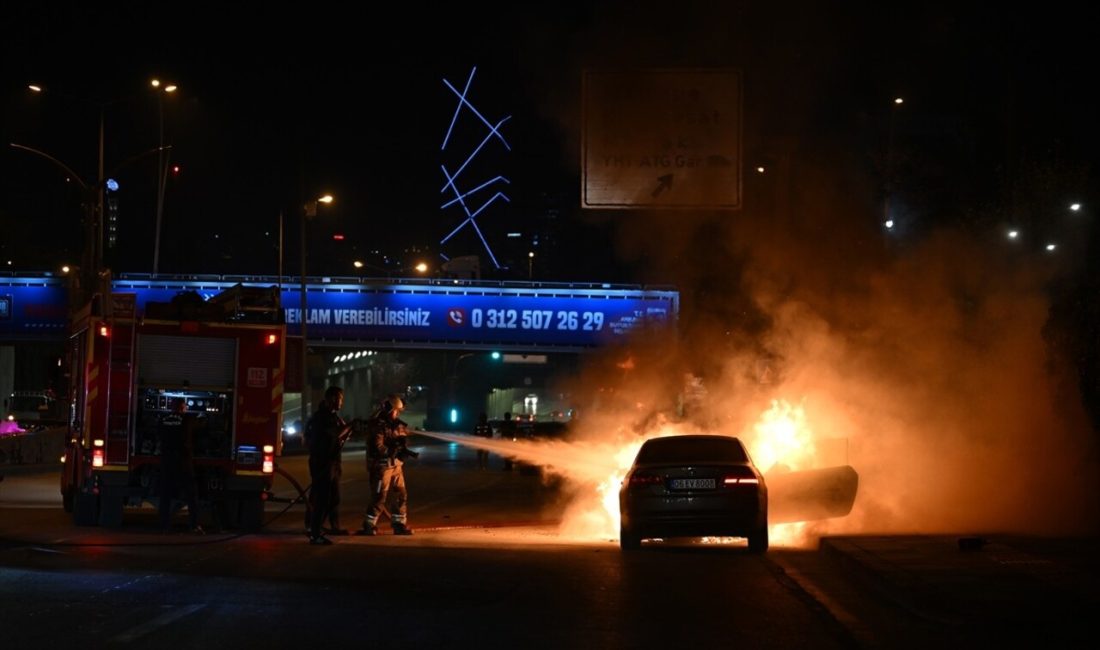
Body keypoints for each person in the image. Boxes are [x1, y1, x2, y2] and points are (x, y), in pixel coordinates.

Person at [361, 394, 414, 536]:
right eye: (396, 410)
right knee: (379, 496)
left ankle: (399, 524)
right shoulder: (378, 425)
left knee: (400, 493)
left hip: (396, 465)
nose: (397, 414)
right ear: (390, 409)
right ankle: (369, 525)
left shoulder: (397, 425)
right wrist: (392, 450)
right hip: (382, 466)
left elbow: (402, 440)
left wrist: (403, 449)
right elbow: (378, 447)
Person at [306, 386, 354, 545]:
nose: (341, 402)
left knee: (334, 498)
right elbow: (333, 434)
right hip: (323, 463)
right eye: (340, 398)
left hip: (333, 462)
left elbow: (339, 435)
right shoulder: (321, 418)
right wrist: (349, 426)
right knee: (321, 498)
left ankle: (328, 526)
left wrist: (348, 429)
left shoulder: (333, 416)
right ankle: (314, 532)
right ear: (332, 399)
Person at [158, 397, 203, 534]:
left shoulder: (163, 420)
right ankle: (194, 525)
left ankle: (164, 526)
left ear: (171, 407)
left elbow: (158, 433)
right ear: (183, 407)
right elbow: (201, 426)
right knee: (191, 495)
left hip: (167, 462)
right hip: (184, 463)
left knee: (165, 495)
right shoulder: (187, 420)